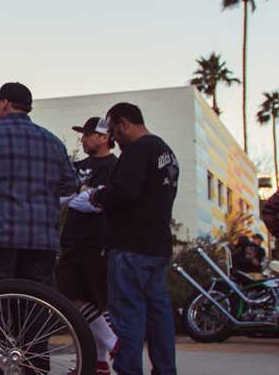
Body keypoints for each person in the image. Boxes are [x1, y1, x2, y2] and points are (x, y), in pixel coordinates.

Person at [87, 102, 179, 375]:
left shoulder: (138, 150)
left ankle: (129, 370)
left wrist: (98, 196)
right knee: (158, 314)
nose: (112, 138)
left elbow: (125, 192)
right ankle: (165, 369)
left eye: (113, 130)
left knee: (128, 316)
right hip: (157, 245)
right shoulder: (165, 151)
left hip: (130, 246)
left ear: (124, 123)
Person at [0, 82, 77, 285]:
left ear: (4, 104)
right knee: (35, 304)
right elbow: (70, 184)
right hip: (42, 240)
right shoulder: (53, 142)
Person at [57, 117, 119, 374]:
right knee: (72, 296)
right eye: (82, 134)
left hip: (97, 240)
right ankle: (100, 360)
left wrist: (82, 194)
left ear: (105, 137)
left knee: (92, 299)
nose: (82, 139)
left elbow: (96, 202)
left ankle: (110, 348)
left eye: (89, 134)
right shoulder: (76, 166)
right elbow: (61, 197)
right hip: (71, 238)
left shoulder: (114, 166)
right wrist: (82, 193)